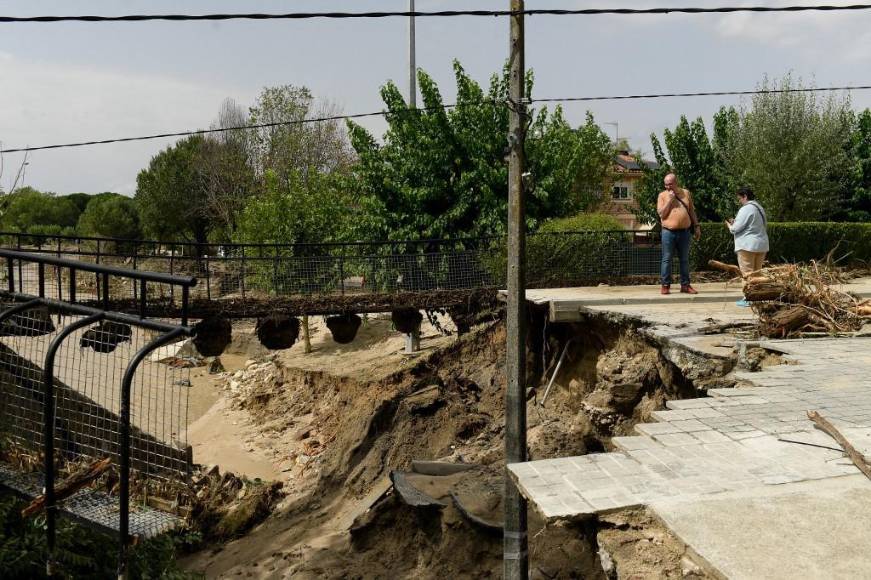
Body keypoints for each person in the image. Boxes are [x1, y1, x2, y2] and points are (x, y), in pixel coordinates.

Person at [657, 173, 701, 295]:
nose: (668, 187)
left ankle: (685, 285)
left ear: (676, 182)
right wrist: (670, 200)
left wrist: (697, 226)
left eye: (670, 184)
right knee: (667, 259)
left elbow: (691, 211)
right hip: (668, 232)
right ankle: (665, 285)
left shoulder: (686, 193)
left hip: (684, 232)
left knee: (684, 260)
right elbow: (661, 214)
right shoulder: (662, 195)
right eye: (666, 185)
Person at [726, 186, 769, 307]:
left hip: (747, 246)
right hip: (761, 244)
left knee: (747, 273)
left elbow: (735, 229)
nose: (739, 201)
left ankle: (748, 298)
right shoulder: (759, 207)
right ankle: (758, 297)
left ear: (745, 196)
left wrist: (730, 225)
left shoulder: (746, 208)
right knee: (757, 273)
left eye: (740, 198)